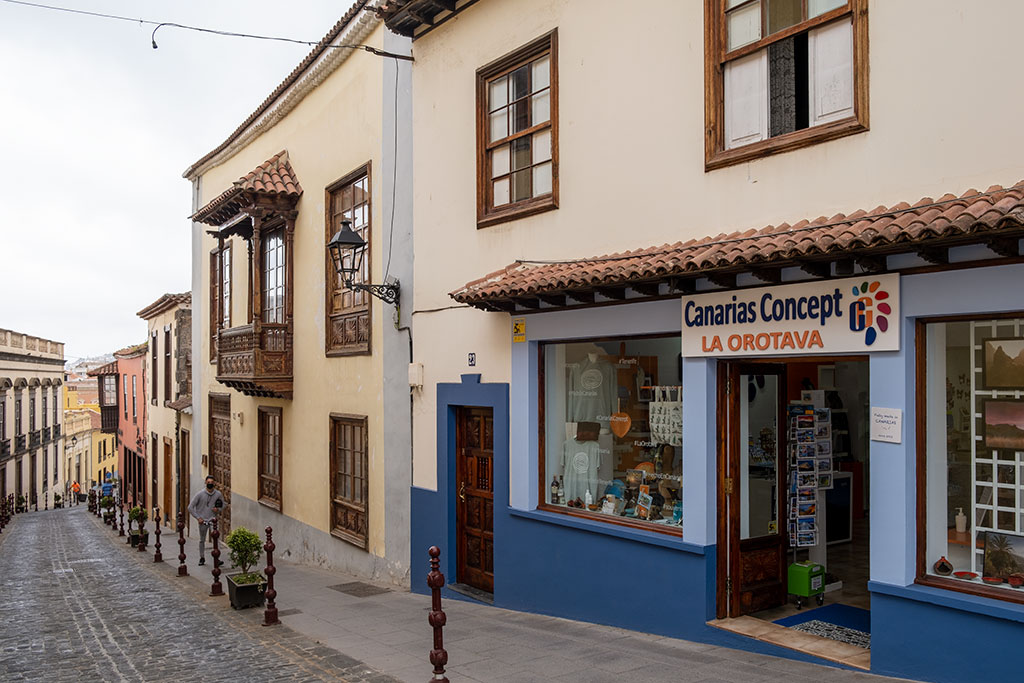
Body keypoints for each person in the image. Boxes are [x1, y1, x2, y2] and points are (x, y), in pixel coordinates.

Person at [187, 475, 225, 566]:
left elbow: (223, 505)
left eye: (212, 483)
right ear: (205, 483)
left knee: (216, 539)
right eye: (208, 483)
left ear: (214, 484)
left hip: (213, 521)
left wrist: (218, 509)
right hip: (203, 521)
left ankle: (217, 558)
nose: (210, 485)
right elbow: (190, 507)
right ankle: (202, 557)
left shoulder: (218, 494)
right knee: (202, 540)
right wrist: (198, 517)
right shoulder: (199, 494)